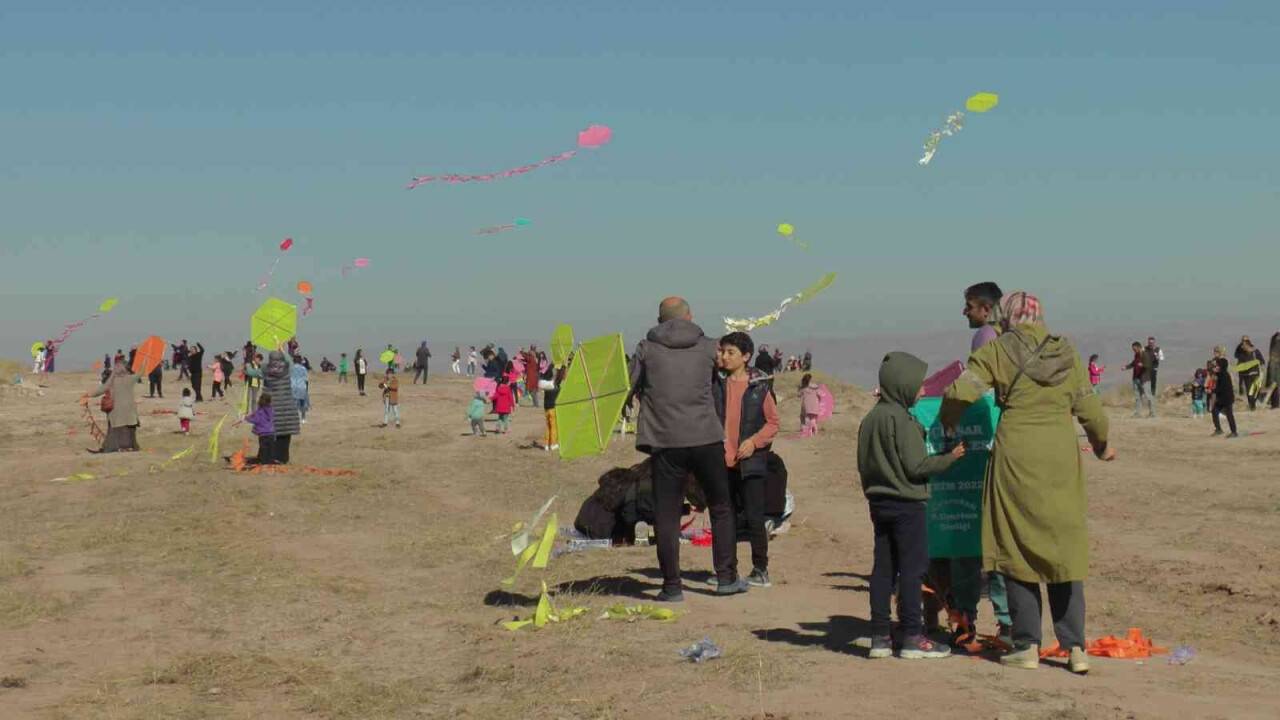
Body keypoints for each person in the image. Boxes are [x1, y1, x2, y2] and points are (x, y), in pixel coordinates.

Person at [941, 291, 1114, 674]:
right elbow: (1091, 410)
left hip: (1015, 456)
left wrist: (948, 424)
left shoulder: (998, 351)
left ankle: (1026, 645)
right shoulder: (1066, 354)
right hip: (1059, 457)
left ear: (1006, 317)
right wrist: (1102, 447)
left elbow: (960, 390)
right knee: (1063, 549)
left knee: (1016, 548)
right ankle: (1076, 648)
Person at [628, 296, 745, 602]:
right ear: (690, 317)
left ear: (659, 321)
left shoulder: (646, 349)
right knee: (720, 506)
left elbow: (628, 384)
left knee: (667, 514)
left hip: (666, 442)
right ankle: (726, 578)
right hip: (706, 437)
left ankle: (671, 586)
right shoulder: (710, 347)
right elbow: (726, 378)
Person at [859, 351, 964, 659]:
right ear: (902, 385)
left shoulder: (870, 419)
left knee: (884, 570)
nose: (922, 392)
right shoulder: (902, 421)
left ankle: (880, 636)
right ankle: (913, 637)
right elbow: (917, 467)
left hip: (879, 503)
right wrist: (950, 458)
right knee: (913, 570)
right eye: (918, 386)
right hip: (907, 504)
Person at [714, 332, 780, 589]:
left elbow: (774, 423)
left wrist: (753, 442)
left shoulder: (760, 387)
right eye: (723, 352)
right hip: (722, 461)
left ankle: (760, 569)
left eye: (730, 352)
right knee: (724, 517)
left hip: (751, 464)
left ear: (746, 357)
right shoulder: (716, 385)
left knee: (754, 517)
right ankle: (727, 572)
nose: (724, 357)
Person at [86, 362, 141, 452]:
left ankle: (116, 447)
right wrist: (146, 360)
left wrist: (88, 395)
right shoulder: (130, 379)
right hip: (130, 412)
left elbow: (101, 390)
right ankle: (129, 447)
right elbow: (141, 372)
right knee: (129, 430)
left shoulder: (111, 381)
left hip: (116, 412)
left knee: (114, 431)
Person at [260, 351, 300, 463]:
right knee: (285, 435)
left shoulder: (265, 370)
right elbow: (290, 362)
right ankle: (283, 458)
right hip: (288, 407)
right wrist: (282, 349)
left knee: (271, 434)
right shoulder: (287, 369)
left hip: (273, 407)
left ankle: (272, 456)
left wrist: (248, 365)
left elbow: (253, 372)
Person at [232, 392, 276, 464]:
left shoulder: (260, 411)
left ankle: (264, 461)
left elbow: (256, 420)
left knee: (263, 449)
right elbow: (254, 415)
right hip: (271, 434)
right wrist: (246, 417)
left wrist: (246, 418)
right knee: (269, 450)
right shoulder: (270, 410)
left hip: (263, 435)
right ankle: (268, 460)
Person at [962, 282, 1003, 352]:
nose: (964, 312)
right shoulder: (1009, 333)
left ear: (986, 310)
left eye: (970, 307)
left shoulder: (985, 334)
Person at [1123, 341, 1154, 418]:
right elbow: (1134, 363)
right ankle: (1137, 413)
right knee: (1137, 397)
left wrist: (1143, 365)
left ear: (1139, 347)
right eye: (1133, 349)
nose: (1134, 350)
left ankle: (1152, 413)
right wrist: (1126, 367)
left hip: (1144, 379)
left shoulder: (1145, 354)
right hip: (1136, 379)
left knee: (1148, 396)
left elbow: (1149, 366)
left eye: (1135, 349)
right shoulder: (1136, 355)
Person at [1211, 357, 1238, 438]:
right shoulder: (1220, 374)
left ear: (1221, 366)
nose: (1216, 367)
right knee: (1214, 411)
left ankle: (1234, 432)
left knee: (1229, 415)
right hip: (1222, 399)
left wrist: (1213, 390)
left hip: (1227, 399)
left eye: (1217, 366)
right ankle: (1218, 429)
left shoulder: (1224, 375)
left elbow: (1222, 388)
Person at [1235, 338, 1265, 411]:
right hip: (1246, 376)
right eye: (1242, 346)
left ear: (1248, 345)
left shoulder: (1256, 352)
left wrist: (1255, 362)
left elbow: (1262, 361)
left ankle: (1254, 404)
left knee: (1256, 392)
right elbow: (1239, 367)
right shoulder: (1242, 355)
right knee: (1249, 393)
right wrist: (1240, 382)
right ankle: (1252, 407)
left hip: (1256, 375)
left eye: (1244, 345)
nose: (1242, 347)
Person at [542, 365, 563, 451]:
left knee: (548, 426)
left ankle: (546, 444)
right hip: (553, 408)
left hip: (546, 408)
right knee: (554, 426)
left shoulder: (546, 385)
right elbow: (559, 379)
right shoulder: (555, 386)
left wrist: (551, 366)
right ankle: (553, 444)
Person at [290, 355, 310, 424]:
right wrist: (307, 390)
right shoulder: (303, 369)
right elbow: (306, 380)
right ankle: (303, 418)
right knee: (303, 403)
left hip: (293, 387)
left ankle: (294, 418)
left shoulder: (291, 368)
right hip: (302, 387)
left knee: (293, 404)